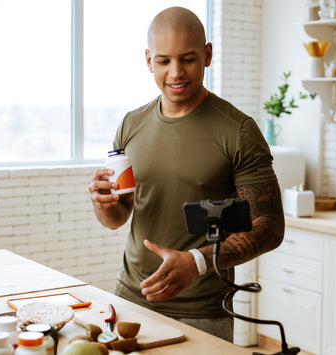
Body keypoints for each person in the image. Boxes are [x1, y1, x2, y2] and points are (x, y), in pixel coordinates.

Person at [88, 6, 284, 342]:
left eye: (188, 59)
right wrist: (102, 204)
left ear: (207, 55)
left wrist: (197, 261)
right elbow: (118, 217)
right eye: (164, 60)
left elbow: (269, 226)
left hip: (201, 311)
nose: (176, 72)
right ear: (149, 60)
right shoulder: (130, 125)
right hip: (131, 297)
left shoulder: (238, 131)